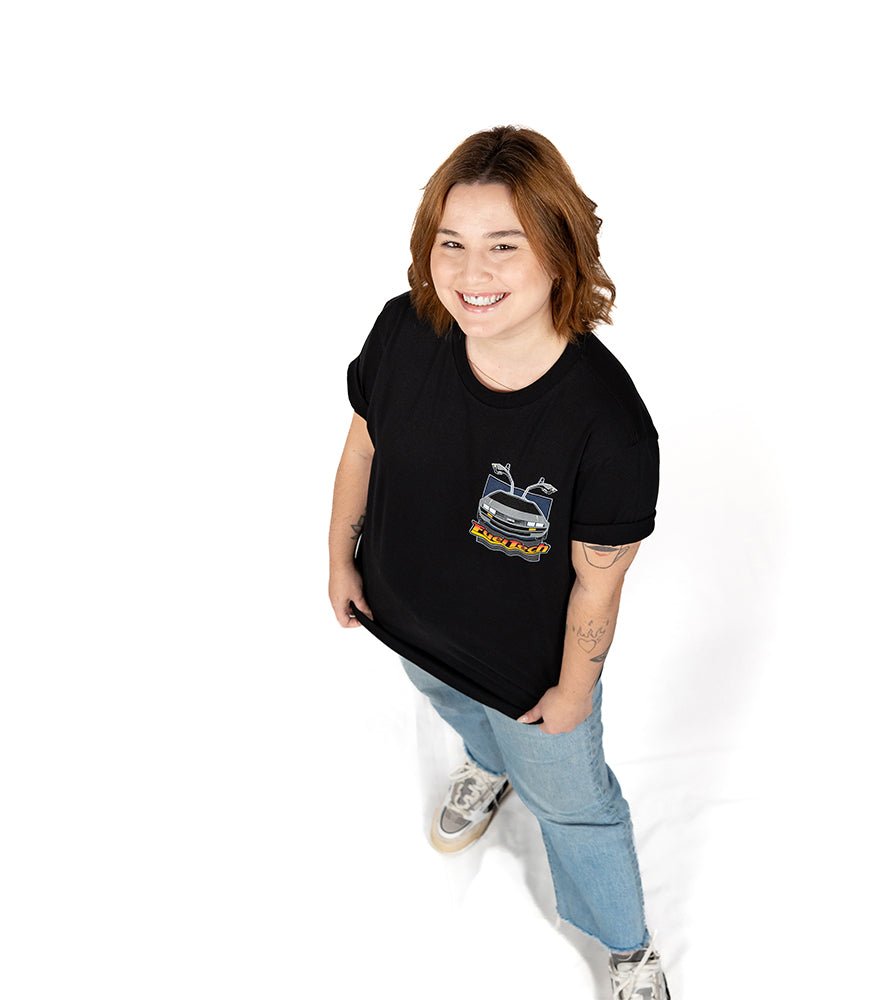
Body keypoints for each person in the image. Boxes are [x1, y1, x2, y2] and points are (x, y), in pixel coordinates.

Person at [327, 125, 669, 1000]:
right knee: (449, 704)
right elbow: (363, 445)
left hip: (529, 680)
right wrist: (341, 559)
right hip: (406, 621)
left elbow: (598, 581)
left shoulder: (609, 426)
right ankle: (488, 764)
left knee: (576, 807)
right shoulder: (406, 328)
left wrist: (573, 695)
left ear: (559, 251)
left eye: (503, 246)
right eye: (452, 243)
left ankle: (628, 950)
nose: (470, 272)